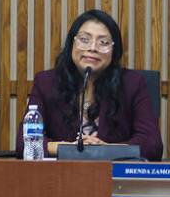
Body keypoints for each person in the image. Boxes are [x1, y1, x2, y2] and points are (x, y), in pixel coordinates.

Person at [17, 9, 162, 160]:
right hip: (59, 177)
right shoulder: (46, 82)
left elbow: (153, 144)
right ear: (72, 43)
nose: (92, 48)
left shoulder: (132, 83)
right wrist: (68, 148)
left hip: (114, 178)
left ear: (114, 50)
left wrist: (106, 150)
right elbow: (24, 143)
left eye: (103, 42)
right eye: (85, 39)